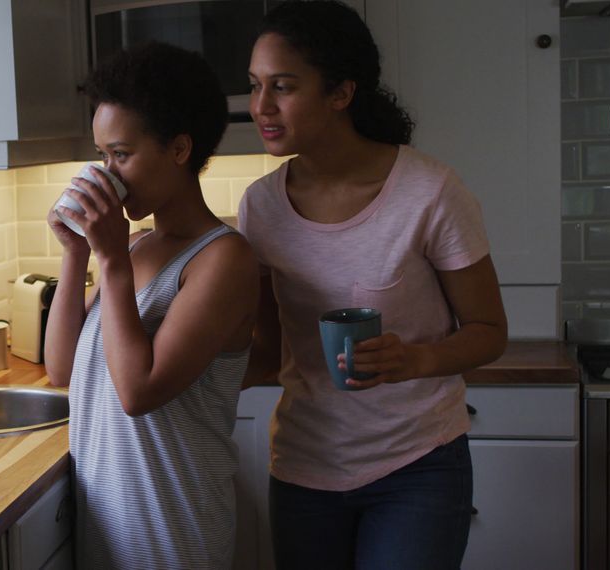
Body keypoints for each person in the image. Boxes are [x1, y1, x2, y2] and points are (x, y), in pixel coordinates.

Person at [237, 2, 509, 569]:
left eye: (282, 87)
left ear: (340, 93)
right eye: (255, 85)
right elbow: (265, 351)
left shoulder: (429, 192)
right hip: (303, 467)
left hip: (418, 466)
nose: (261, 107)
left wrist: (413, 359)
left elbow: (488, 333)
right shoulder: (260, 206)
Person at [44, 42, 259, 569]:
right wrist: (76, 253)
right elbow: (61, 369)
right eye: (101, 157)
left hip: (174, 533)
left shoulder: (222, 259)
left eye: (121, 155)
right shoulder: (135, 246)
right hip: (108, 531)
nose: (108, 174)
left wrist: (110, 260)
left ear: (180, 149)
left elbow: (138, 392)